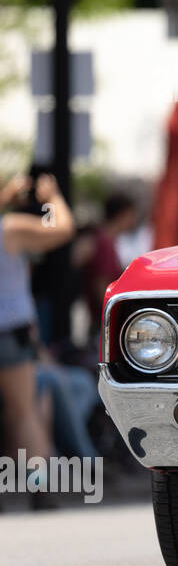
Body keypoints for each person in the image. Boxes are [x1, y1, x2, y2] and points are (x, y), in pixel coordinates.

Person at [0, 173, 76, 483]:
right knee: (24, 412)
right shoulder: (10, 229)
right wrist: (52, 197)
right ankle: (40, 487)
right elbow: (63, 228)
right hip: (10, 331)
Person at [78, 191, 139, 344]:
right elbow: (101, 284)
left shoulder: (106, 240)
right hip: (102, 323)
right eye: (131, 214)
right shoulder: (104, 242)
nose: (134, 220)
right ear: (122, 215)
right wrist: (113, 318)